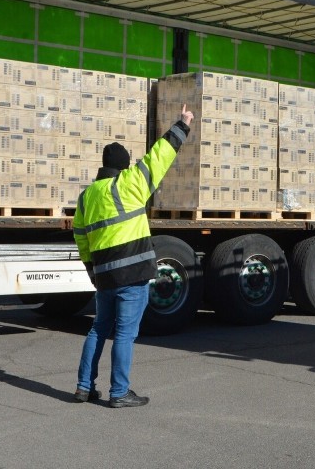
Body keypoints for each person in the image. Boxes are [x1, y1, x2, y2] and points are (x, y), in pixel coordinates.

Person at [72, 104, 193, 408]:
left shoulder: (87, 197)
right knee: (124, 334)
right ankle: (119, 392)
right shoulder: (129, 184)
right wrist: (182, 124)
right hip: (132, 275)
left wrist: (92, 271)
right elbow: (159, 157)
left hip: (104, 277)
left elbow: (80, 238)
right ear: (124, 166)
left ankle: (83, 387)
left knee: (98, 329)